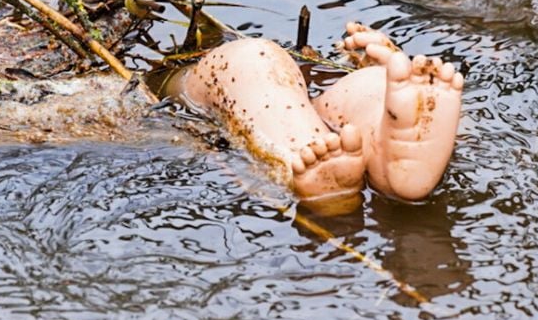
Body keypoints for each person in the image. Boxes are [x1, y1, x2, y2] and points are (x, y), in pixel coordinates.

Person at [165, 22, 463, 208]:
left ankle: (374, 138)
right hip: (318, 106)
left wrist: (380, 71)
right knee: (251, 60)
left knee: (251, 62)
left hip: (203, 92)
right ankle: (371, 151)